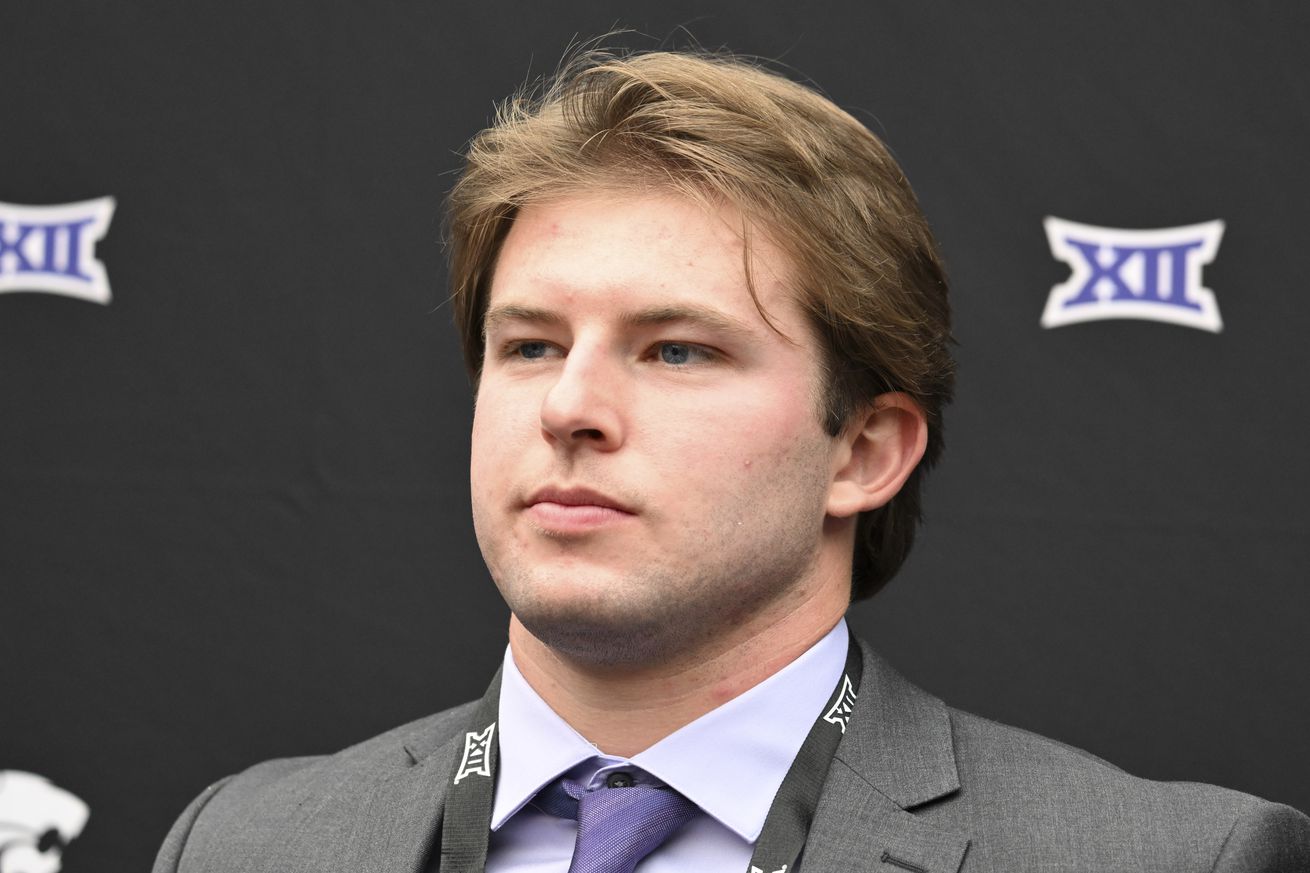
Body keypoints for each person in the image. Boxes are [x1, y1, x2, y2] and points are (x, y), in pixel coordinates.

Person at [153, 48, 1310, 873]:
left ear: (862, 451)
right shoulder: (244, 843)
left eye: (674, 350)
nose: (569, 406)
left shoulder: (1171, 860)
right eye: (528, 345)